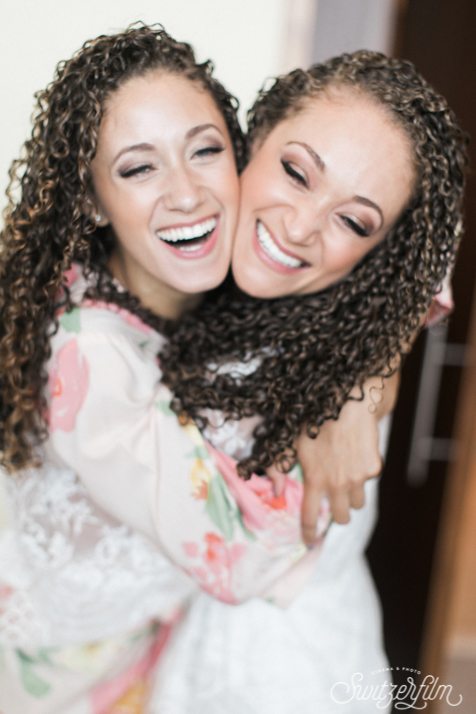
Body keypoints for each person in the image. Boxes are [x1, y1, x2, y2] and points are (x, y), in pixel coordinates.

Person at [0, 25, 399, 713]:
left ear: (243, 157)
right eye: (139, 168)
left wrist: (364, 382)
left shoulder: (231, 269)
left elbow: (412, 260)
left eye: (205, 151)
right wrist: (334, 403)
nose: (185, 194)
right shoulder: (88, 360)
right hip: (54, 685)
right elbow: (240, 559)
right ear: (91, 198)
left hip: (148, 660)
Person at [149, 50, 467, 713]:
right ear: (256, 137)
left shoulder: (352, 343)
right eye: (297, 173)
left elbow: (433, 253)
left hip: (296, 678)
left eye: (354, 220)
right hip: (186, 653)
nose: (299, 227)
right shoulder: (187, 258)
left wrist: (354, 393)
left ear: (382, 255)